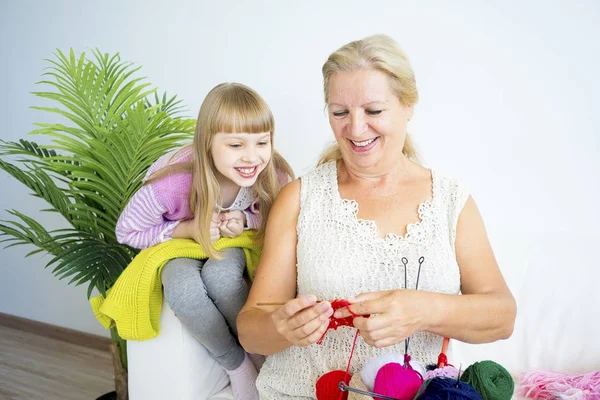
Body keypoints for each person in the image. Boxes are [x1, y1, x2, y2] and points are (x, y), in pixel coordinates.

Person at [237, 34, 517, 398]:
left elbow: (502, 316)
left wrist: (422, 310)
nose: (355, 128)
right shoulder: (300, 199)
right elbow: (249, 328)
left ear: (407, 106)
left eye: (373, 111)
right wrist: (281, 326)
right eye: (340, 112)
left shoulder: (450, 201)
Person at [115, 82, 293, 400]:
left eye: (261, 142)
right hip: (178, 242)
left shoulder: (272, 173)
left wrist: (246, 221)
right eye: (236, 146)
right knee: (183, 288)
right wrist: (186, 229)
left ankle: (254, 349)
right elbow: (127, 231)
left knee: (222, 278)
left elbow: (280, 219)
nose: (251, 157)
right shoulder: (174, 182)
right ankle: (236, 365)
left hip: (230, 243)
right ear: (207, 143)